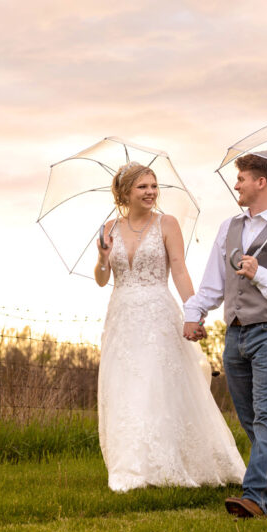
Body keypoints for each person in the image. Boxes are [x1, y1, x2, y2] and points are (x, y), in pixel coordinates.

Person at [94, 162, 246, 492]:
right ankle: (132, 466)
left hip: (158, 314)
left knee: (155, 384)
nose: (150, 192)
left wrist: (194, 312)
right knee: (125, 388)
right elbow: (102, 279)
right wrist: (103, 257)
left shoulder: (167, 224)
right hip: (121, 317)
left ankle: (169, 463)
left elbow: (179, 270)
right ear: (125, 193)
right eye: (142, 187)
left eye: (153, 186)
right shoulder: (109, 229)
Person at [183, 151, 267, 518]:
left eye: (242, 177)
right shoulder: (230, 228)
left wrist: (261, 274)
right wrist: (194, 313)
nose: (236, 184)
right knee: (250, 419)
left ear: (262, 182)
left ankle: (256, 497)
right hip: (236, 334)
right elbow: (214, 282)